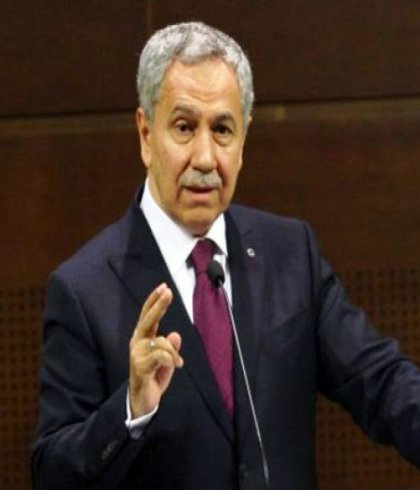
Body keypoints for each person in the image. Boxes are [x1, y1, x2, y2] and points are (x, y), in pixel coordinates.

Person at [32, 21, 420, 490]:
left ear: (243, 140)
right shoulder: (83, 289)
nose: (204, 158)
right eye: (183, 127)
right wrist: (130, 409)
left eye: (221, 130)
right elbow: (53, 472)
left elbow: (381, 381)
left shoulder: (289, 253)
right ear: (145, 134)